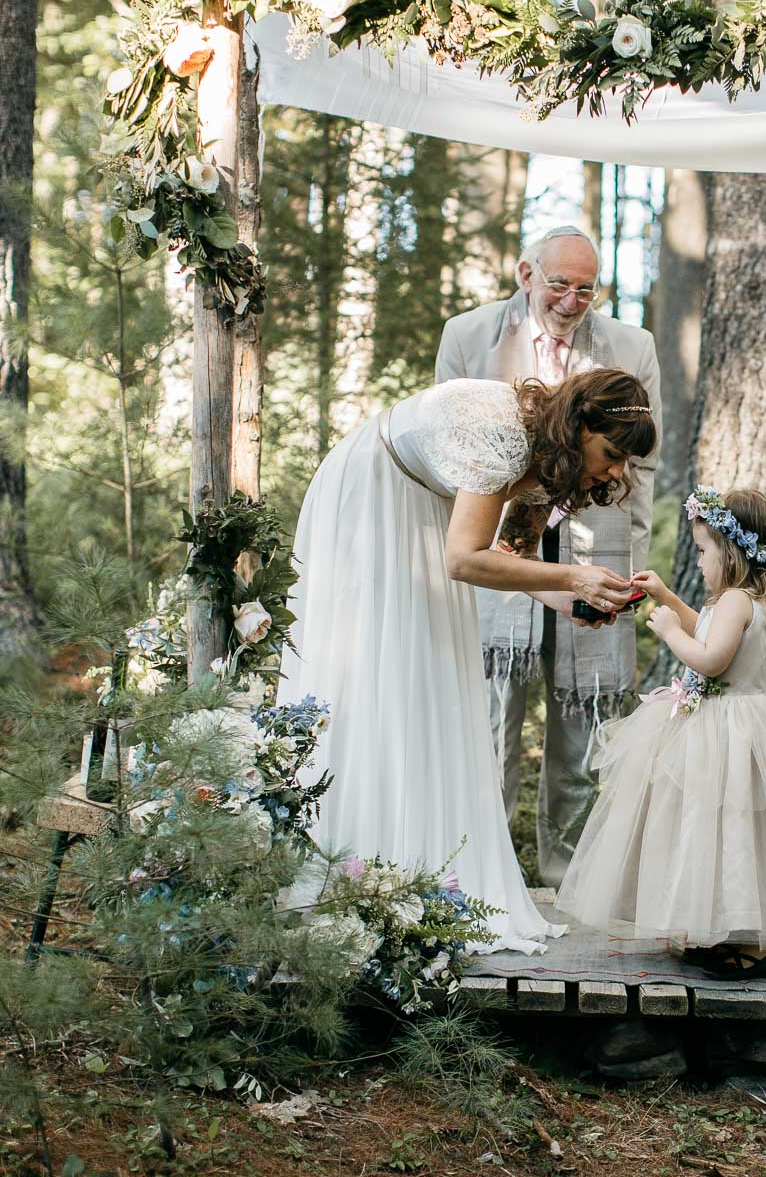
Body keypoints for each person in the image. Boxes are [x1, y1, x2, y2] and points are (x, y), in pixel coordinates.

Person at [279, 369, 655, 953]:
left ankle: (413, 867)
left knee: (421, 681)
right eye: (610, 454)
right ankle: (347, 861)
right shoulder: (501, 432)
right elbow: (462, 560)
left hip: (422, 508)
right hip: (371, 495)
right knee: (382, 673)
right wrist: (573, 571)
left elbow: (510, 557)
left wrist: (567, 599)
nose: (614, 472)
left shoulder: (548, 462)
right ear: (579, 428)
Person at [436, 226, 661, 888]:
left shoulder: (633, 347)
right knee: (492, 708)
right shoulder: (468, 335)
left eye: (585, 288)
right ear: (525, 274)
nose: (571, 300)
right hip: (498, 529)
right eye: (558, 284)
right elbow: (453, 457)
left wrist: (630, 568)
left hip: (597, 536)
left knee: (585, 716)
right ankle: (483, 868)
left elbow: (638, 466)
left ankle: (569, 872)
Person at [556, 488, 766, 980]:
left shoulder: (733, 601)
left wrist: (667, 632)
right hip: (725, 725)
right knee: (717, 831)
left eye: (704, 551)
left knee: (730, 831)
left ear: (730, 552)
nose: (700, 559)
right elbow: (708, 632)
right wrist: (668, 598)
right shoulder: (735, 599)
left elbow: (711, 658)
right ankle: (723, 929)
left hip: (729, 729)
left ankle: (749, 946)